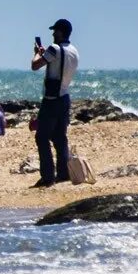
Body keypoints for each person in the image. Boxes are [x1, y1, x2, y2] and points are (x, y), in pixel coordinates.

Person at [30, 19, 80, 187]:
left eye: (55, 31)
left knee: (42, 137)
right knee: (60, 137)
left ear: (60, 32)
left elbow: (35, 66)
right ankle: (64, 172)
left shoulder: (54, 49)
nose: (52, 34)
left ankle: (47, 176)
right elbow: (58, 64)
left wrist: (37, 53)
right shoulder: (73, 50)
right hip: (65, 96)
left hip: (51, 99)